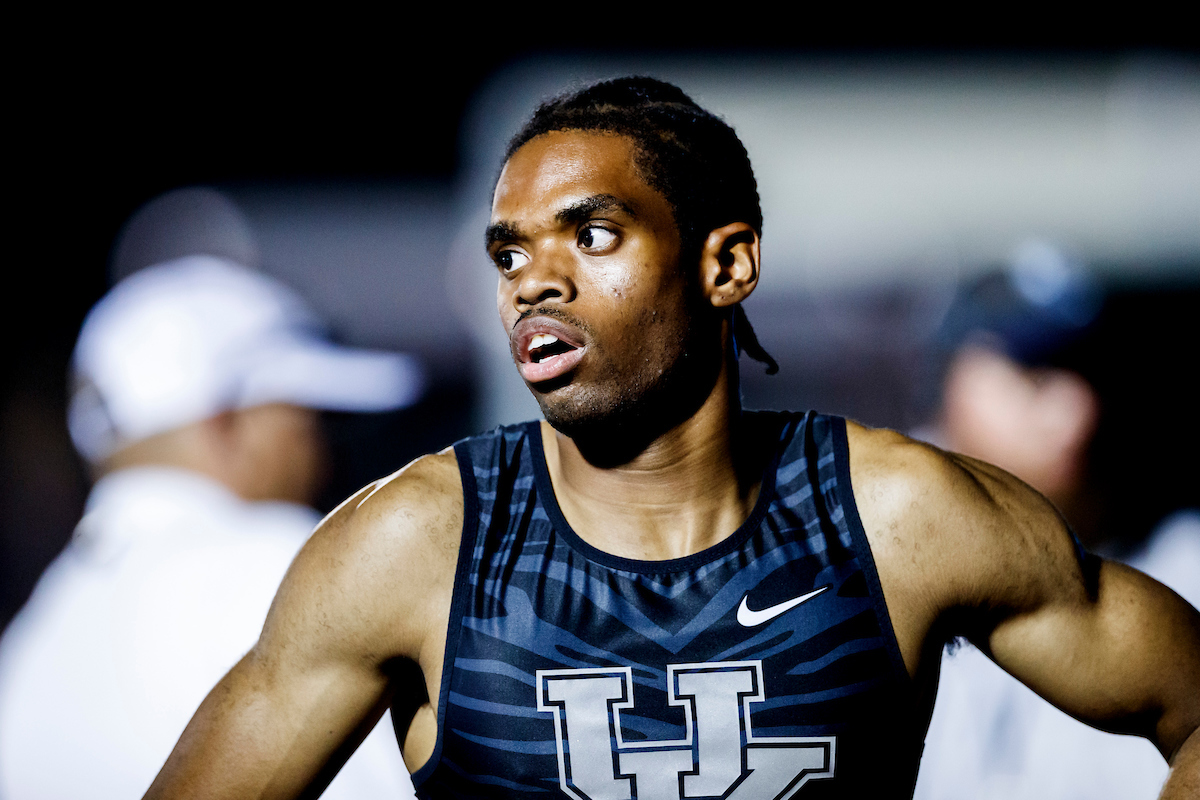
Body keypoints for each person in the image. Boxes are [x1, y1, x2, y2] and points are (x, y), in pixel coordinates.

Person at [144, 77, 1200, 799]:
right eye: (510, 255)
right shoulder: (418, 544)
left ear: (727, 265)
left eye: (591, 234)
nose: (536, 282)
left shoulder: (898, 515)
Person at [0, 255, 422, 799]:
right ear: (227, 424)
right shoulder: (286, 565)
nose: (324, 453)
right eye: (308, 419)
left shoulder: (32, 641)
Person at [911, 253, 1200, 799]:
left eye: (1093, 374)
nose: (1078, 411)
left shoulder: (1186, 564)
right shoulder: (850, 545)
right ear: (950, 381)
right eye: (1036, 374)